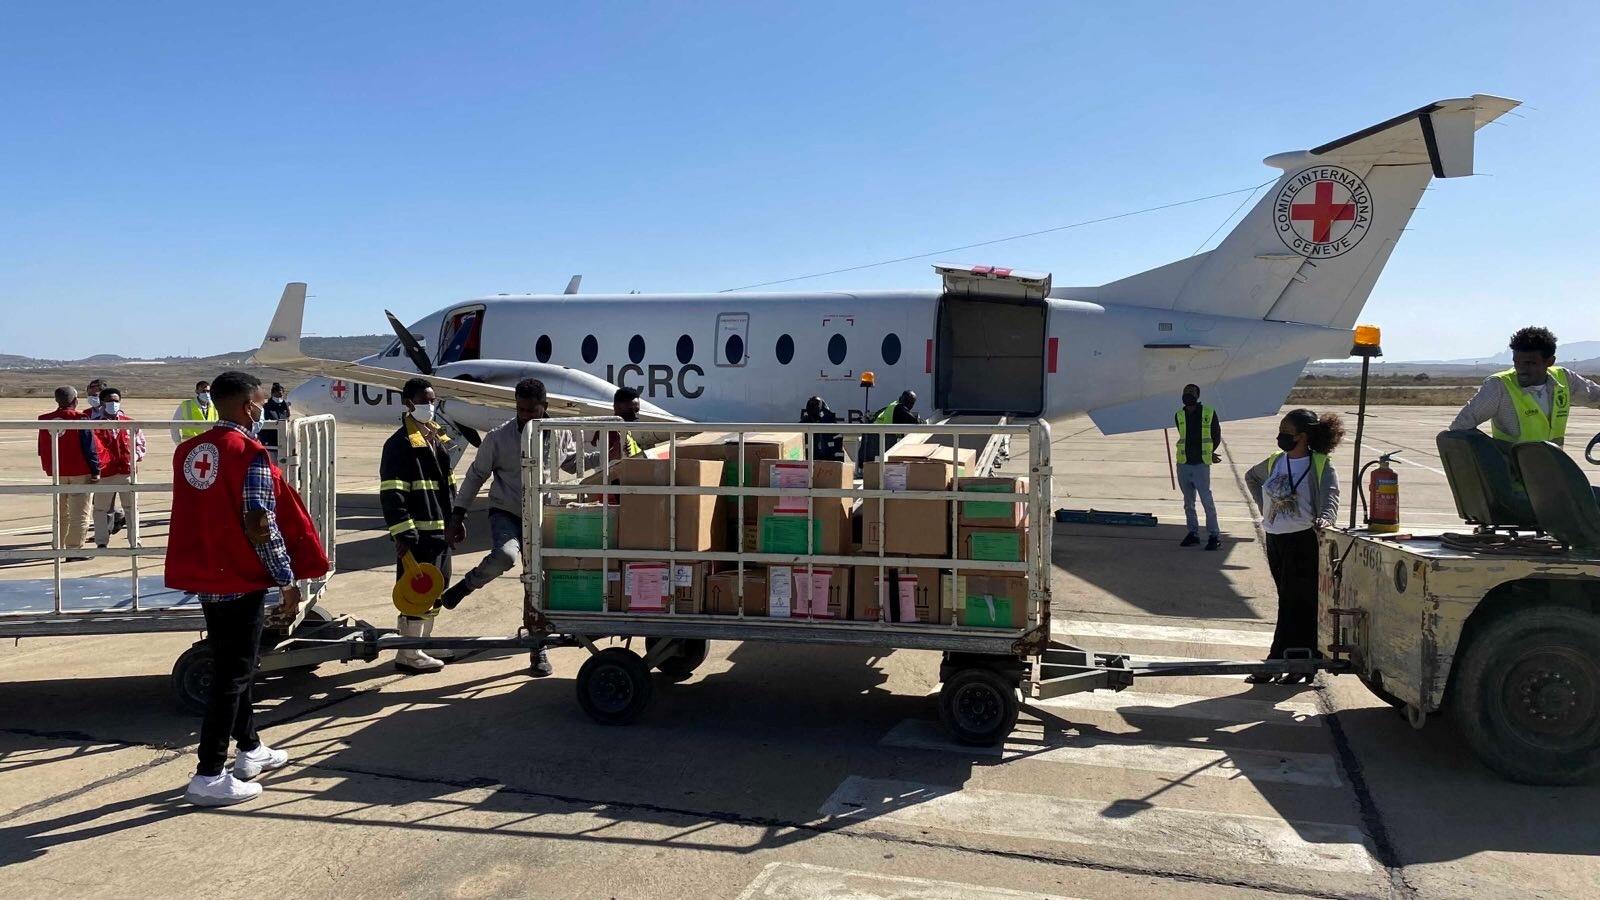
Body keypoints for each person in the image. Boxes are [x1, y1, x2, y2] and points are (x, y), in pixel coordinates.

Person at [167, 371, 328, 806]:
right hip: (239, 578)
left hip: (207, 575)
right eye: (258, 402)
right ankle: (209, 774)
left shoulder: (189, 450)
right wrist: (286, 580)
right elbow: (261, 523)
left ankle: (251, 749)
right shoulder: (249, 452)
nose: (261, 409)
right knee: (232, 676)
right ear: (246, 407)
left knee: (231, 667)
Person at [437, 378, 570, 676]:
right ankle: (467, 585)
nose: (525, 416)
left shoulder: (559, 434)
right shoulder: (498, 438)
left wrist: (617, 451)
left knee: (538, 581)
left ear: (544, 407)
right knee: (506, 556)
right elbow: (475, 476)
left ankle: (538, 647)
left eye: (531, 410)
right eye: (520, 410)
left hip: (542, 516)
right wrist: (457, 515)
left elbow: (573, 463)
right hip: (506, 511)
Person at [1244, 408, 1344, 685]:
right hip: (1276, 538)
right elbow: (1251, 477)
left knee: (1295, 601)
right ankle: (1299, 659)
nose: (1280, 437)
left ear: (1302, 436)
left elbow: (1330, 496)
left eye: (1286, 433)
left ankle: (1280, 660)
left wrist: (1326, 517)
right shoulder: (1277, 461)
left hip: (1303, 540)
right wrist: (1266, 506)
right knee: (1290, 600)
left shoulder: (1320, 464)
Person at [380, 377, 458, 674]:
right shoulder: (399, 445)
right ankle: (409, 654)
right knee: (417, 590)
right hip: (418, 534)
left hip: (440, 530)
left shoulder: (436, 438)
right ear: (408, 403)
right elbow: (392, 493)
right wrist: (403, 533)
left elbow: (448, 487)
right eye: (425, 401)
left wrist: (455, 521)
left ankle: (422, 643)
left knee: (436, 587)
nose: (430, 406)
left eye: (433, 400)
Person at [1450, 326, 1600, 446]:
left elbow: (1596, 397)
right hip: (1512, 479)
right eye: (1517, 362)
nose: (1521, 369)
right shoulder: (1499, 386)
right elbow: (1459, 427)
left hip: (1552, 474)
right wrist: (1493, 453)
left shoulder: (1564, 379)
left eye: (1530, 363)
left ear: (1549, 362)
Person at [37, 386, 100, 559]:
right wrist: (96, 470)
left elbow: (41, 447)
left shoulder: (45, 419)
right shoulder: (81, 418)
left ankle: (57, 545)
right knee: (80, 512)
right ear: (75, 400)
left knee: (60, 512)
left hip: (58, 471)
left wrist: (48, 466)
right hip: (79, 470)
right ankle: (74, 549)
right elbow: (89, 448)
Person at [88, 387, 146, 550]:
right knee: (100, 509)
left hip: (126, 471)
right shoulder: (93, 424)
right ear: (102, 403)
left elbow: (141, 444)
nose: (113, 404)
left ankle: (135, 540)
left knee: (131, 508)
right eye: (110, 401)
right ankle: (101, 541)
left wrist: (134, 456)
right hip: (105, 473)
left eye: (116, 400)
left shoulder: (130, 422)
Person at [1174, 383, 1223, 551]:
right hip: (1183, 463)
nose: (1188, 395)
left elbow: (1216, 435)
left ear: (1197, 395)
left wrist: (1209, 453)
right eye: (1186, 392)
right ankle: (1193, 533)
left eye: (1191, 392)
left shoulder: (1208, 413)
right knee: (1188, 502)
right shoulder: (1179, 415)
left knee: (1206, 500)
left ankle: (1214, 535)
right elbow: (1182, 436)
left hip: (1200, 464)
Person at [85, 378, 125, 534]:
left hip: (112, 465)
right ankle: (117, 517)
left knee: (106, 500)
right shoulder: (86, 415)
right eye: (90, 394)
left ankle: (103, 532)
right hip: (94, 463)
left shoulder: (117, 415)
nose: (92, 397)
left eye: (95, 394)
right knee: (98, 499)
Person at [861, 390, 922, 464]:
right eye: (910, 402)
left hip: (873, 440)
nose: (910, 405)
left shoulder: (892, 406)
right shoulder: (900, 408)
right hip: (881, 441)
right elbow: (916, 422)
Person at [171, 380, 220, 444]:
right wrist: (178, 442)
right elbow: (174, 425)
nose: (206, 394)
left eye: (208, 391)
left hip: (209, 444)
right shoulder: (186, 405)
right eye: (203, 391)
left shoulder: (215, 406)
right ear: (196, 391)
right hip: (190, 443)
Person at [801, 396, 845, 462]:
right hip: (809, 463)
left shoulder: (831, 425)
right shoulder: (803, 424)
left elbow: (838, 453)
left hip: (828, 464)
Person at [261, 382, 292, 450]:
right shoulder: (266, 406)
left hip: (283, 437)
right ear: (273, 394)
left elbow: (288, 416)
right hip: (271, 439)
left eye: (281, 395)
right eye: (277, 395)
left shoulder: (285, 405)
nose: (279, 397)